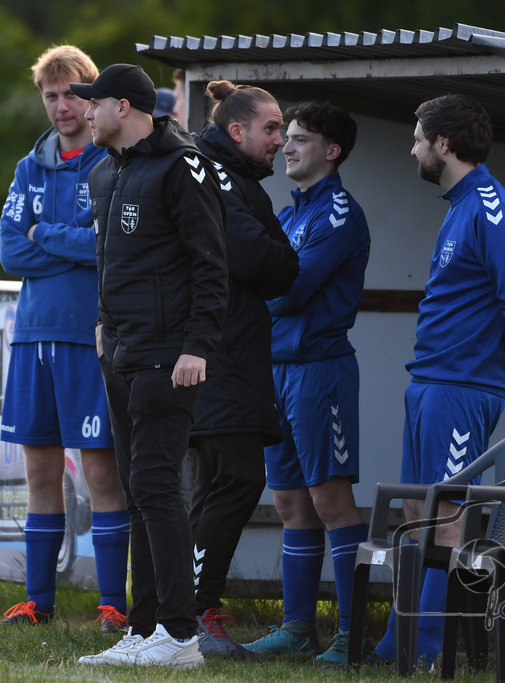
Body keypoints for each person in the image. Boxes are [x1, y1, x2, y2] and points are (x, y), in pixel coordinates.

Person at [365, 93, 505, 669]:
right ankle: (400, 644)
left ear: (443, 143)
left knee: (445, 520)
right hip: (433, 383)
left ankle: (425, 650)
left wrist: (504, 368)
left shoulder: (489, 205)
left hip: (463, 386)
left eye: (418, 137)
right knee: (417, 513)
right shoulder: (459, 204)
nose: (412, 146)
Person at [71, 63, 228, 670]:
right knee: (138, 489)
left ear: (126, 108)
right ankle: (145, 629)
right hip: (124, 352)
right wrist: (105, 324)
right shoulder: (104, 172)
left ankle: (181, 635)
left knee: (159, 485)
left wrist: (198, 346)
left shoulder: (181, 164)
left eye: (95, 102)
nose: (86, 112)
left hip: (171, 354)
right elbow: (116, 263)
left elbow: (211, 264)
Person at [0, 45, 130, 634]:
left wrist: (43, 234)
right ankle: (37, 601)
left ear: (91, 94)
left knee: (101, 474)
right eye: (50, 96)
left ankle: (112, 604)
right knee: (40, 474)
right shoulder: (29, 166)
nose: (61, 105)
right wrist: (65, 242)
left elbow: (104, 249)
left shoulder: (108, 163)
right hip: (32, 339)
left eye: (72, 93)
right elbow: (7, 250)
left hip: (86, 338)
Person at [241, 101, 370, 666]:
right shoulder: (289, 212)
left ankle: (352, 633)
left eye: (299, 138)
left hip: (321, 371)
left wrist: (249, 296)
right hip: (277, 370)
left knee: (331, 499)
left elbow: (291, 290)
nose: (285, 146)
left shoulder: (339, 212)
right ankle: (298, 628)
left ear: (331, 151)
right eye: (283, 137)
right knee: (291, 501)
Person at [185, 80, 299, 659]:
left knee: (221, 482)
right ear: (238, 132)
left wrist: (276, 254)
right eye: (273, 128)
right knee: (234, 478)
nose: (281, 139)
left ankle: (186, 613)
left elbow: (280, 265)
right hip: (217, 355)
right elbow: (264, 259)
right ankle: (197, 614)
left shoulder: (241, 181)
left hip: (231, 355)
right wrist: (275, 253)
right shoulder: (215, 173)